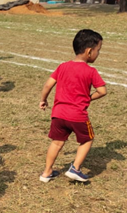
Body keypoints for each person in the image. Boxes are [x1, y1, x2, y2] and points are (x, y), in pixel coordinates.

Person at [39, 29, 107, 183]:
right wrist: (89, 98)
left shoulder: (62, 66)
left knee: (56, 142)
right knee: (87, 139)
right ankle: (75, 169)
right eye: (98, 50)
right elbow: (102, 91)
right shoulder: (91, 71)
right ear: (89, 51)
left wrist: (43, 99)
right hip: (77, 115)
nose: (98, 53)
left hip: (58, 114)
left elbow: (48, 85)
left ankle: (46, 172)